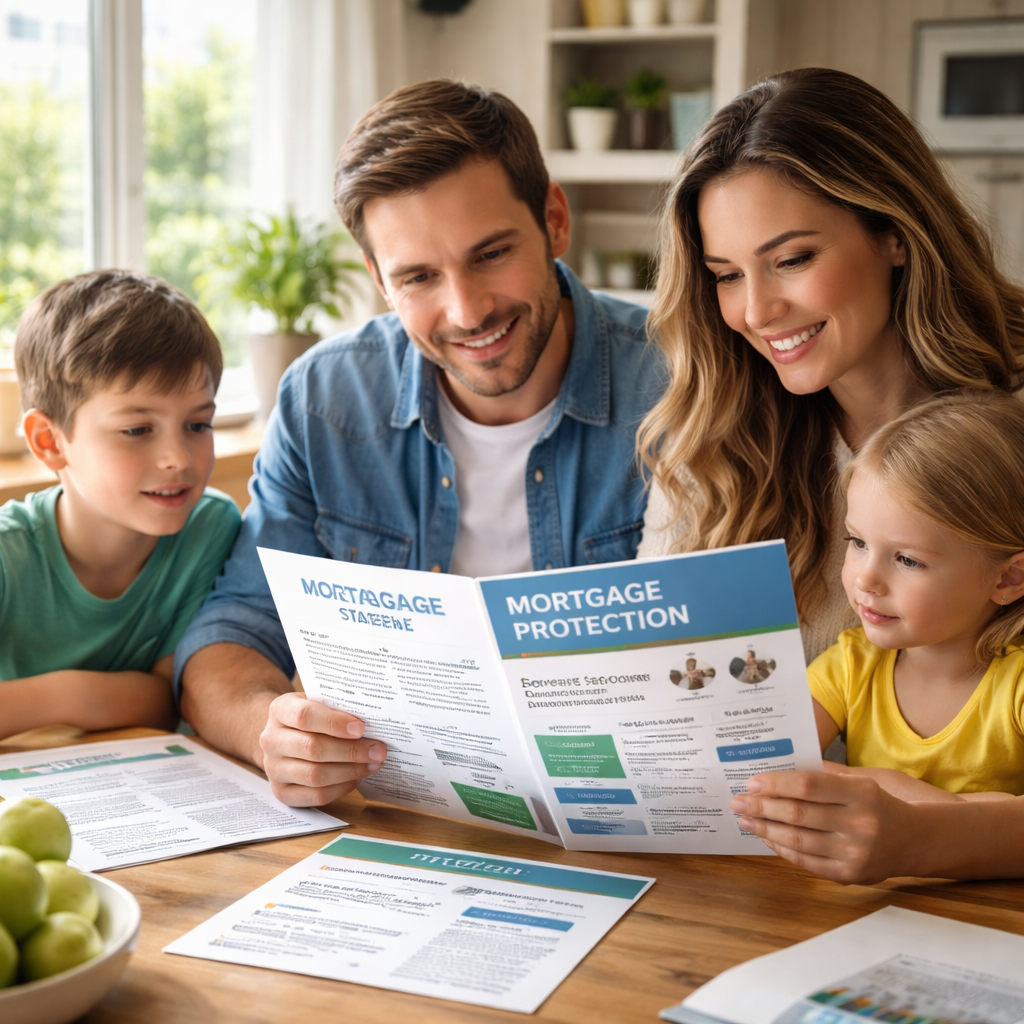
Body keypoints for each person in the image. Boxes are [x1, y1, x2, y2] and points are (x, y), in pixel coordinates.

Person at [176, 80, 663, 807]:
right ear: (378, 280)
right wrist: (266, 731)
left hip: (637, 809)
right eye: (419, 277)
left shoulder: (680, 386)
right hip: (418, 820)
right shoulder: (324, 400)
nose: (466, 310)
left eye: (491, 253)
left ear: (555, 221)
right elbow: (238, 623)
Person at [637, 68, 1024, 881]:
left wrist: (926, 836)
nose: (755, 311)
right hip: (779, 891)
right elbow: (671, 706)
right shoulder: (713, 443)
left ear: (894, 233)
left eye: (792, 259)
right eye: (726, 274)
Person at [735, 392, 1024, 880]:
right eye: (859, 542)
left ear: (1008, 580)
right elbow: (760, 766)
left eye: (907, 559)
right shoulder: (850, 665)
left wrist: (878, 790)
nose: (865, 579)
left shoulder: (1013, 683)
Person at [0, 270, 241, 739]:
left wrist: (51, 699)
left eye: (197, 425)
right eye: (137, 430)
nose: (178, 459)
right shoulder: (9, 555)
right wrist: (76, 696)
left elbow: (168, 700)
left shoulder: (210, 527)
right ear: (49, 441)